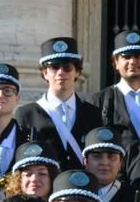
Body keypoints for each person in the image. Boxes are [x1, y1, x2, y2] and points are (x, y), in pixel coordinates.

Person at [13, 36, 104, 170]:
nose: (61, 72)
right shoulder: (26, 114)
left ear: (77, 71)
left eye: (67, 67)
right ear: (44, 73)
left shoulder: (93, 113)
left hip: (82, 185)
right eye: (54, 67)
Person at [92, 30, 140, 148]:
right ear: (115, 62)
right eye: (126, 57)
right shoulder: (100, 100)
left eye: (138, 56)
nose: (132, 61)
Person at [80, 126, 133, 202]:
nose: (104, 162)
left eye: (111, 157)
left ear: (121, 163)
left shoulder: (133, 196)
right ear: (85, 161)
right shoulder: (75, 195)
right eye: (97, 156)